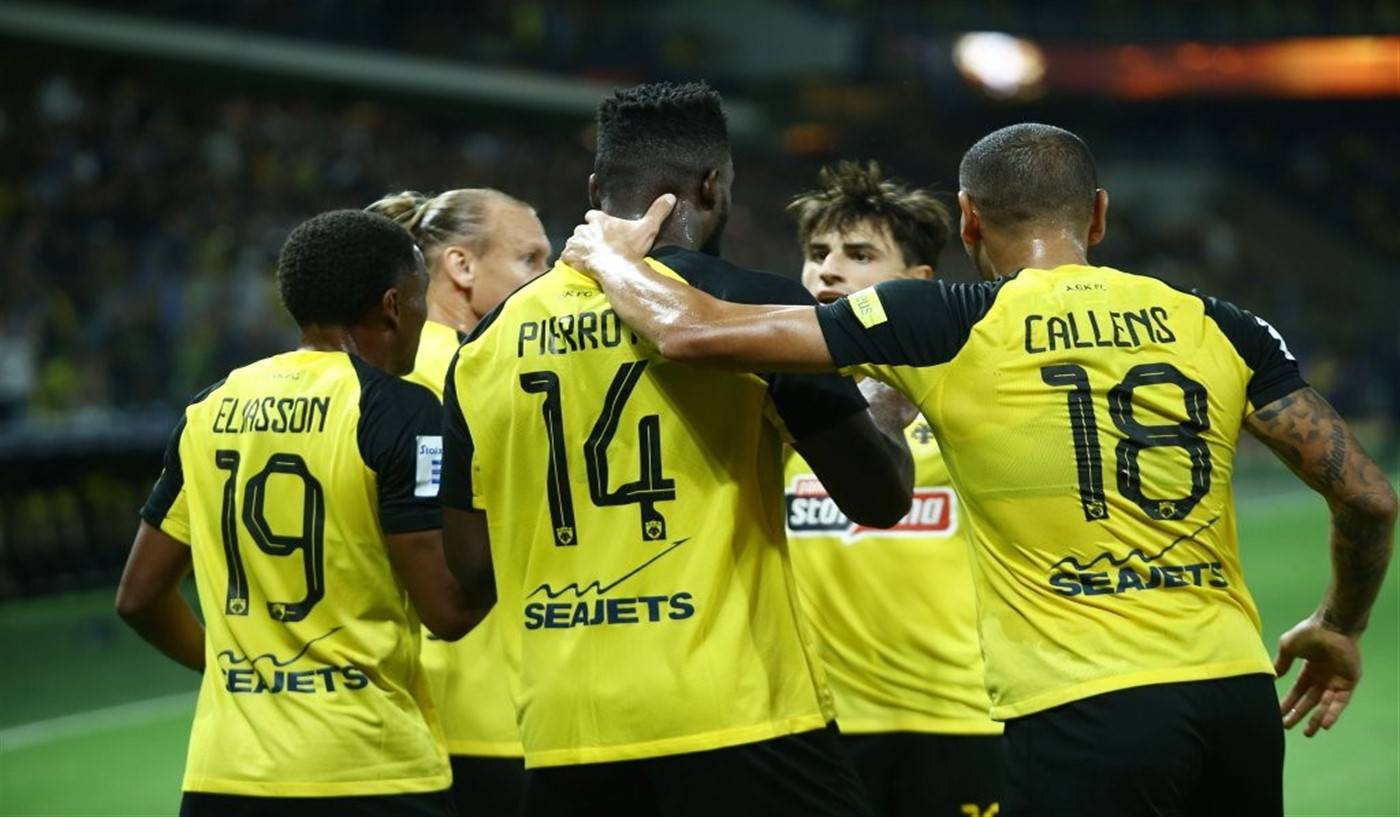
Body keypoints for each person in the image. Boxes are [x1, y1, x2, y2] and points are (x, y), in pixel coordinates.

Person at [561, 123, 1398, 817]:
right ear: (1098, 215)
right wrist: (1339, 622)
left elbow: (692, 332)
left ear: (967, 220)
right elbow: (1368, 495)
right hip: (1233, 699)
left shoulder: (948, 320)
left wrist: (607, 256)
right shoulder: (1220, 322)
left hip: (1080, 706)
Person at [439, 81, 913, 817]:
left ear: (596, 191)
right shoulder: (745, 312)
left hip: (568, 732)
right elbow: (878, 497)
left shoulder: (482, 346)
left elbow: (471, 572)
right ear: (713, 186)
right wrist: (886, 404)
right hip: (739, 718)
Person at [115, 210, 492, 817]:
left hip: (225, 778)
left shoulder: (211, 408)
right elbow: (447, 611)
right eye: (421, 297)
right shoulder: (401, 412)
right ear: (393, 305)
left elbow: (138, 597)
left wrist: (227, 667)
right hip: (368, 770)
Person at [783, 161, 1002, 816]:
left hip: (963, 720)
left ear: (917, 284)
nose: (828, 271)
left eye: (859, 255)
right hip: (818, 726)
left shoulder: (973, 398)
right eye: (817, 253)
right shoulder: (775, 401)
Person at [367, 187, 551, 817]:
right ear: (461, 266)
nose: (548, 277)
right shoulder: (485, 374)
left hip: (404, 710)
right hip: (493, 708)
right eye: (530, 259)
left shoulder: (379, 380)